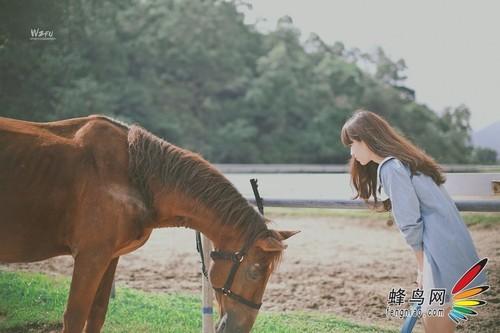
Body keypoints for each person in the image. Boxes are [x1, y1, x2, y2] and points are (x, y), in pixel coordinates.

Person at [340, 110, 486, 333]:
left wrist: (421, 267)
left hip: (438, 254)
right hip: (457, 248)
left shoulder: (391, 168)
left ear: (367, 139)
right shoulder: (410, 162)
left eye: (352, 143)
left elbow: (409, 223)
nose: (351, 151)